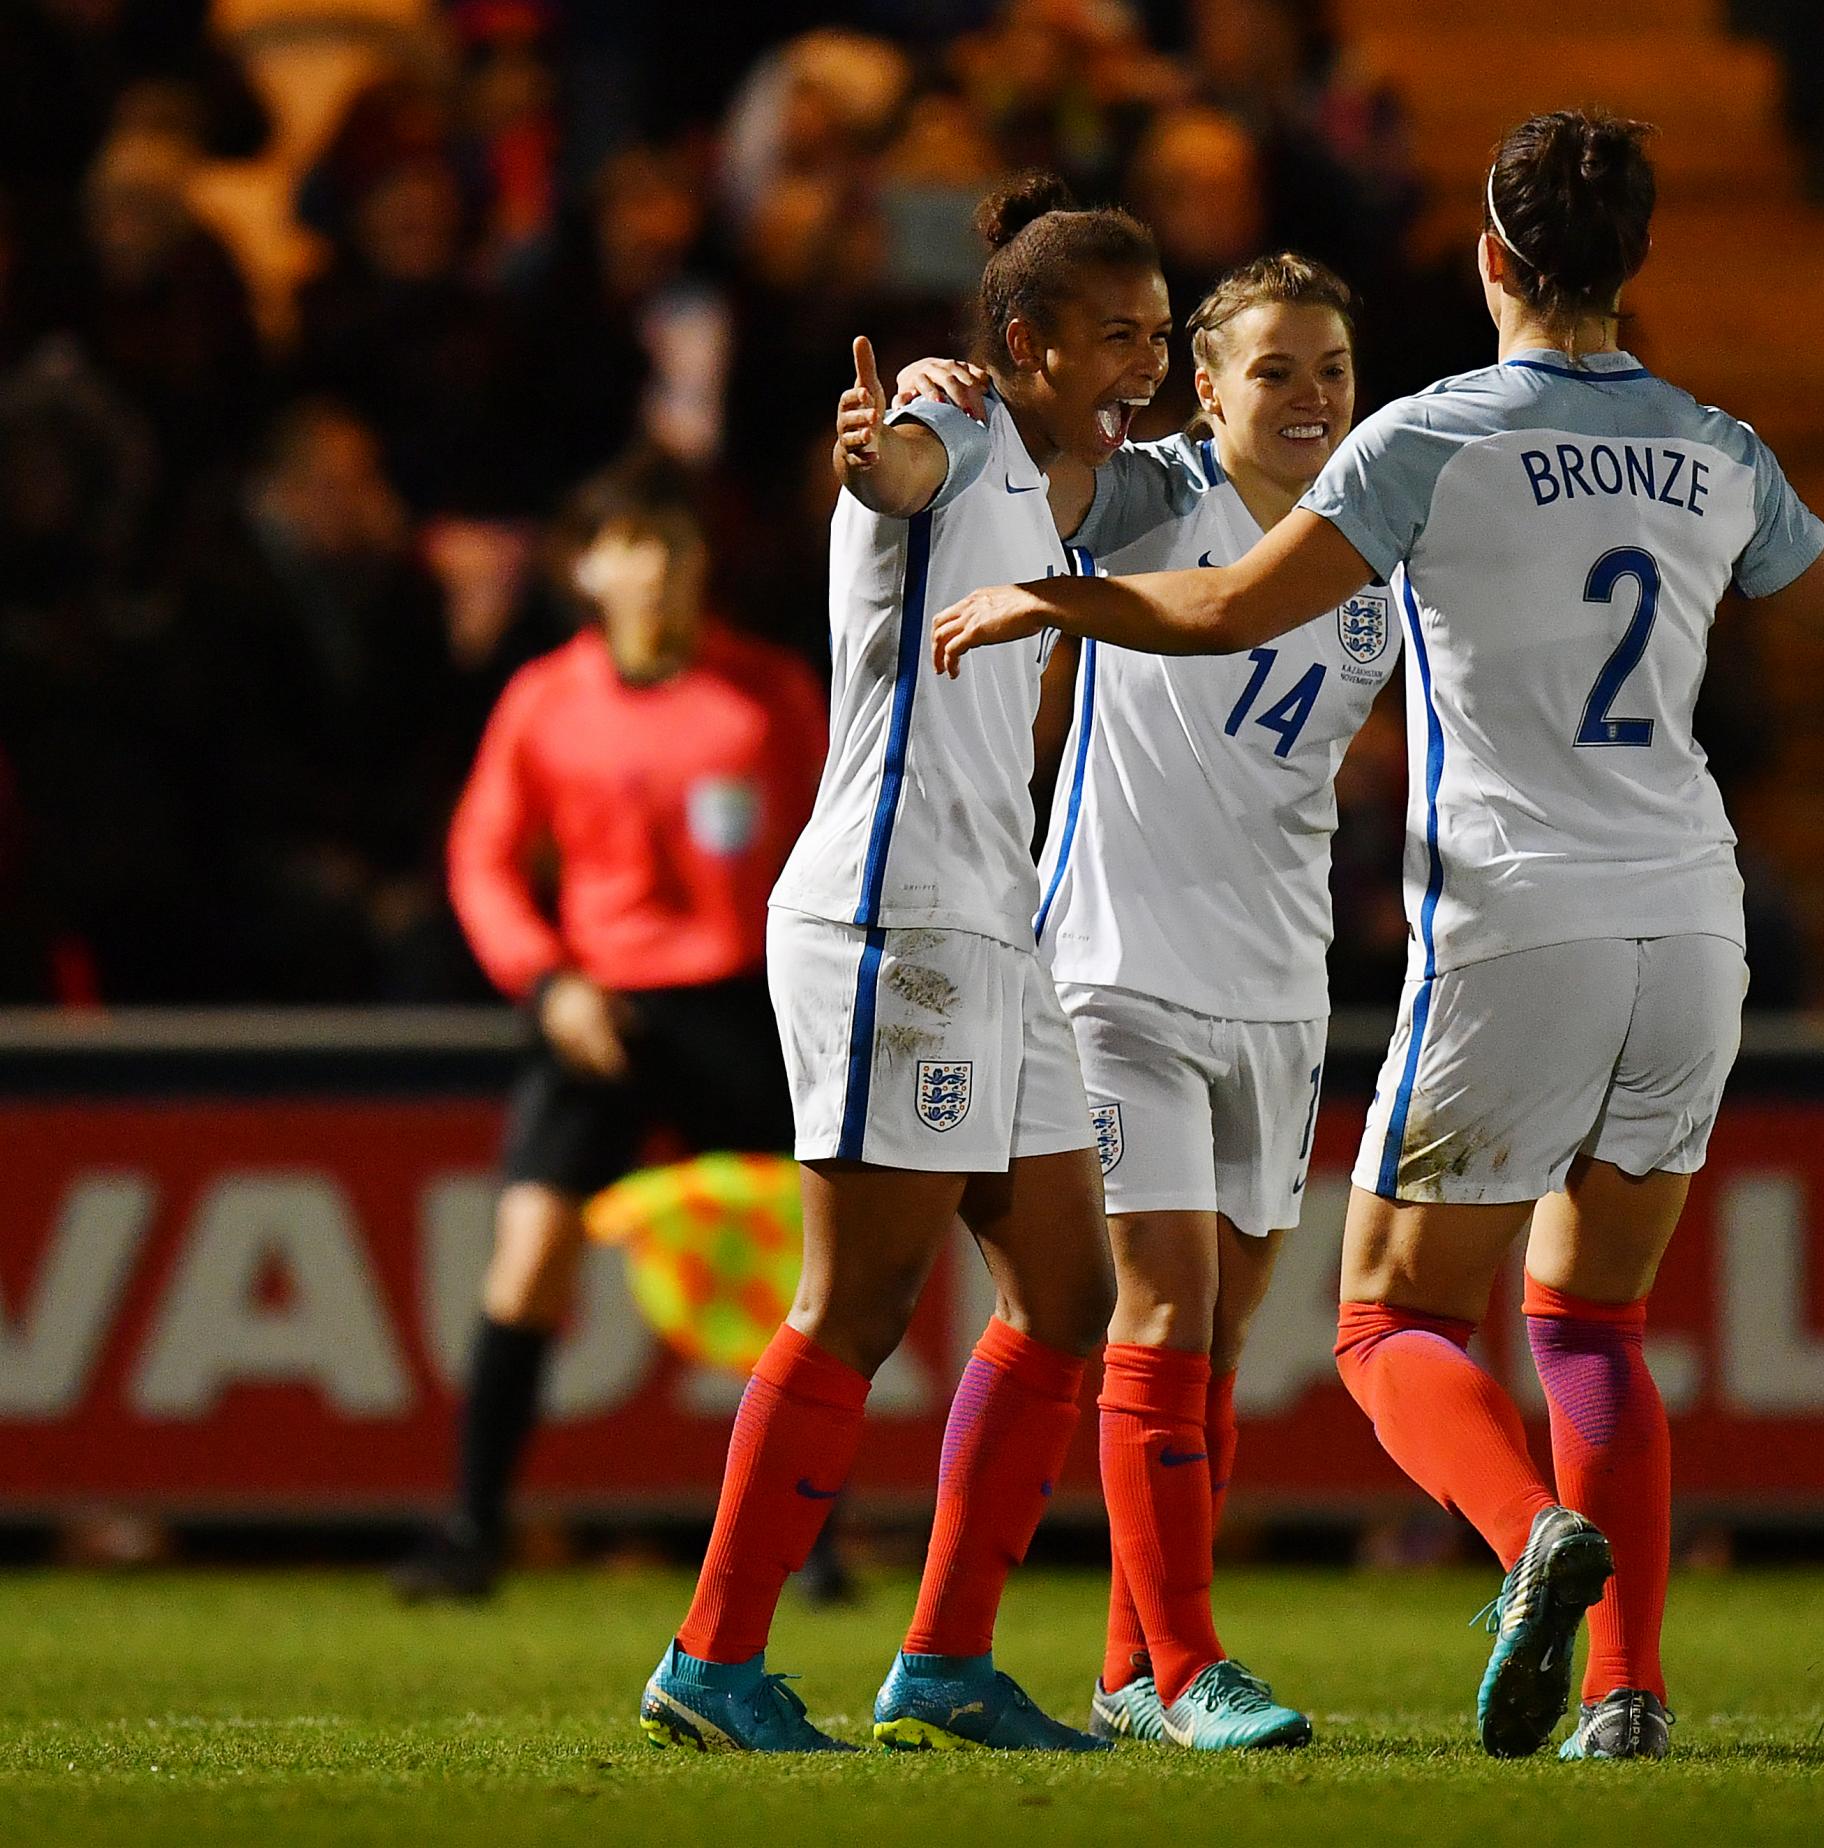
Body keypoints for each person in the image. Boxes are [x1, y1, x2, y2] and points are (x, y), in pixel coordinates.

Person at [931, 109, 1824, 1762]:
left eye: (1327, 367)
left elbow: (1227, 608)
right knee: (1588, 1322)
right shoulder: (1715, 444)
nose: (1311, 395)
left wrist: (1044, 589)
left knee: (1383, 1321)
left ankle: (1526, 1535)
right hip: (1692, 924)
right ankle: (1627, 1690)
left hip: (1519, 920)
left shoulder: (1424, 444)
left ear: (1489, 258)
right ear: (1633, 261)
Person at [636, 174, 1164, 1756]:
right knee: (854, 1306)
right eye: (1117, 338)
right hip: (895, 926)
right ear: (1024, 340)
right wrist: (870, 455)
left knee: (1068, 1294)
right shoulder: (955, 437)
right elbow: (892, 472)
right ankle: (713, 1660)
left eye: (1156, 334)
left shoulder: (1065, 476)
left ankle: (943, 1662)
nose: (1142, 364)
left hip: (990, 923)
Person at [898, 250, 1389, 1750]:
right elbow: (1020, 475)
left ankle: (1127, 1665)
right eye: (1275, 371)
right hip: (1117, 967)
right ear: (1207, 386)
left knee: (1224, 1343)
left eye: (1331, 371)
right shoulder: (1152, 485)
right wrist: (943, 414)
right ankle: (1189, 1670)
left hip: (1279, 984)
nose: (1309, 400)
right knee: (1159, 1307)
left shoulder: (1383, 525)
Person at [395, 452, 827, 1601]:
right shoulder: (545, 701)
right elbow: (483, 862)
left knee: (808, 1281)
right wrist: (546, 983)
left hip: (744, 1009)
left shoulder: (771, 693)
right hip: (599, 1012)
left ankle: (812, 1546)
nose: (657, 570)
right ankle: (470, 1531)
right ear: (588, 565)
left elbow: (838, 849)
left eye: (676, 546)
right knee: (531, 1255)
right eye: (632, 545)